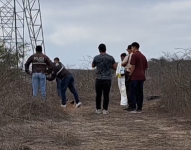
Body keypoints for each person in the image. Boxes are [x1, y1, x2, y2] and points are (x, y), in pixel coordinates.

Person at [92, 43, 116, 114]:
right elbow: (114, 67)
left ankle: (98, 109)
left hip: (99, 78)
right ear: (105, 49)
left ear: (99, 50)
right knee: (106, 94)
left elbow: (93, 65)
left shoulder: (96, 57)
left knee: (98, 94)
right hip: (107, 78)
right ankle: (105, 109)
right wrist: (109, 66)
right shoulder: (110, 57)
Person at [129, 42, 148, 113]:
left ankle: (134, 108)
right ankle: (139, 108)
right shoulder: (143, 56)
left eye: (131, 48)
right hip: (142, 77)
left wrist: (130, 74)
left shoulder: (134, 55)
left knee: (133, 92)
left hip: (135, 77)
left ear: (134, 47)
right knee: (140, 93)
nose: (131, 49)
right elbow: (146, 67)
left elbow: (133, 66)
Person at [121, 45, 133, 110]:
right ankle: (136, 105)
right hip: (135, 74)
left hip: (128, 73)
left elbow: (122, 64)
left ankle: (130, 105)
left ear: (129, 49)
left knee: (128, 90)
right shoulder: (136, 56)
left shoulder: (128, 56)